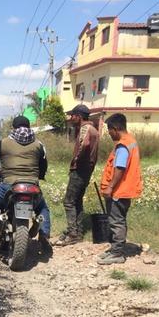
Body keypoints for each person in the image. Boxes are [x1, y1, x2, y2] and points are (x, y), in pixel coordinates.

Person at [0, 116, 50, 251]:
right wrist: (40, 176)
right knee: (42, 209)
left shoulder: (3, 143)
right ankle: (44, 234)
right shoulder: (39, 144)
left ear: (14, 127)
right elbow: (43, 164)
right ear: (29, 127)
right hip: (32, 185)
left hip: (9, 184)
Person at [97, 113, 143, 265]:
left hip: (119, 191)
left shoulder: (123, 145)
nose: (109, 133)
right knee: (117, 220)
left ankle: (117, 253)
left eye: (109, 130)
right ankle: (115, 248)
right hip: (125, 189)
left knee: (117, 222)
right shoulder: (131, 141)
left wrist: (110, 187)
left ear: (115, 129)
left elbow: (120, 168)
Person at [55, 104, 100, 246]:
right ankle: (78, 232)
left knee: (68, 202)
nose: (71, 118)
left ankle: (73, 233)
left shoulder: (85, 128)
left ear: (79, 116)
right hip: (87, 171)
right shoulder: (94, 130)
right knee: (77, 201)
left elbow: (85, 144)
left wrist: (76, 159)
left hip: (79, 170)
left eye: (73, 115)